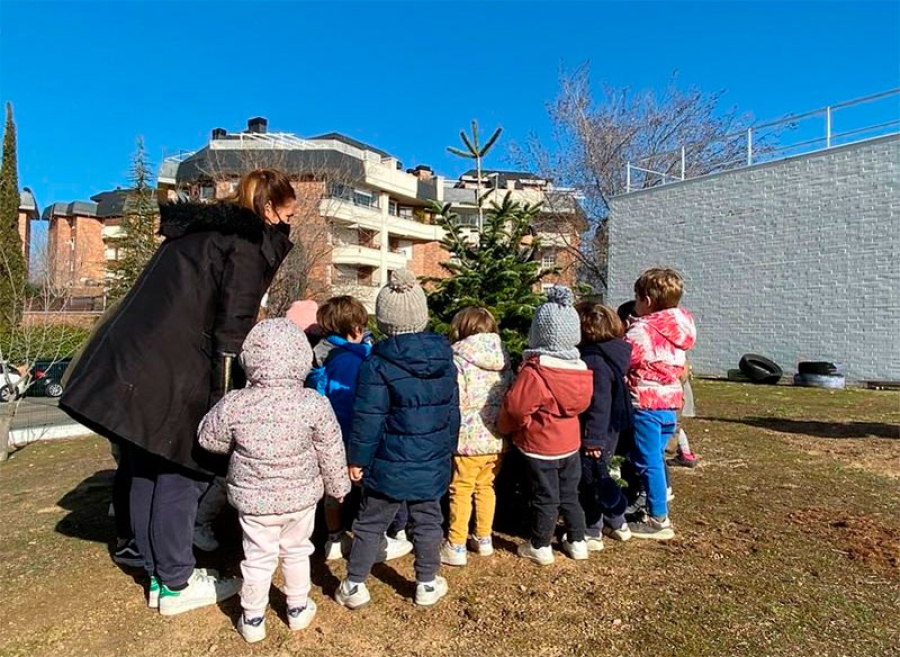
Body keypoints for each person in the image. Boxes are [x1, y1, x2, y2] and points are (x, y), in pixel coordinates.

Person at [59, 169, 296, 615]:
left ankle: (149, 564)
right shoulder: (243, 245)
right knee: (181, 473)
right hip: (178, 371)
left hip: (138, 364)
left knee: (144, 465)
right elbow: (233, 328)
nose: (288, 224)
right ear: (267, 209)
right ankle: (173, 582)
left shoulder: (196, 234)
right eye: (286, 214)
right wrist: (225, 399)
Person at [199, 319, 351, 643]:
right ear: (302, 359)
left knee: (257, 556)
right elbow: (331, 448)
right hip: (300, 498)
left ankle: (252, 618)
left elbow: (207, 439)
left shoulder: (236, 402)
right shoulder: (313, 403)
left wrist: (235, 443)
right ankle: (297, 609)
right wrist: (339, 488)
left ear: (249, 359)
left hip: (255, 501)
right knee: (297, 550)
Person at [335, 270, 459, 609]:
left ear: (384, 321)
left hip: (387, 463)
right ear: (421, 316)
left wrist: (356, 458)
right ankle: (427, 583)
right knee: (429, 520)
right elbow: (452, 415)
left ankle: (353, 584)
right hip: (430, 461)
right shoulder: (446, 362)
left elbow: (367, 419)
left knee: (371, 522)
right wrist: (447, 453)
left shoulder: (376, 364)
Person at [305, 295, 412, 562]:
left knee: (334, 488)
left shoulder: (322, 355)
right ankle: (371, 538)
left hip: (329, 435)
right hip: (356, 434)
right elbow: (360, 400)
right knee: (368, 488)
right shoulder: (354, 360)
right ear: (355, 328)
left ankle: (334, 537)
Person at [499, 285, 593, 566]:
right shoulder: (580, 369)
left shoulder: (536, 371)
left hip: (539, 445)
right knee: (569, 494)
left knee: (545, 496)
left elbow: (515, 408)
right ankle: (577, 540)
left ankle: (540, 544)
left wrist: (509, 428)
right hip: (570, 443)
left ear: (538, 333)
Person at [624, 268, 696, 540]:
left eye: (637, 298)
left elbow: (626, 359)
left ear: (648, 301)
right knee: (656, 457)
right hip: (671, 402)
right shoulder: (681, 329)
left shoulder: (642, 331)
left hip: (646, 403)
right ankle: (656, 503)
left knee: (649, 460)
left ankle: (658, 519)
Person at [441, 307, 512, 567]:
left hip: (467, 438)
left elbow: (453, 395)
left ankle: (456, 544)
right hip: (496, 437)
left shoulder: (456, 358)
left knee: (460, 489)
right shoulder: (503, 357)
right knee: (486, 487)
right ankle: (483, 538)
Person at [576, 302, 633, 551]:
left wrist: (593, 440)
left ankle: (592, 529)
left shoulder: (595, 361)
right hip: (609, 429)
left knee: (590, 481)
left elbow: (599, 404)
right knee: (602, 476)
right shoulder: (613, 354)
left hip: (597, 432)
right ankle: (618, 523)